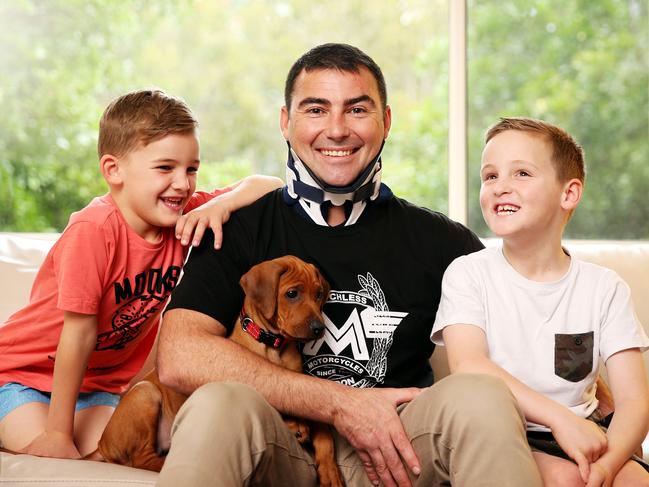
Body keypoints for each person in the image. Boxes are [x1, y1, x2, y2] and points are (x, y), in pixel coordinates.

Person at [155, 44, 545, 487]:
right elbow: (179, 356)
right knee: (217, 403)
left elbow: (530, 326)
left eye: (357, 109)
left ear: (386, 122)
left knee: (481, 395)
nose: (336, 130)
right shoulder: (235, 227)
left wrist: (603, 428)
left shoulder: (444, 242)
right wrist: (340, 403)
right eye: (316, 109)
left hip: (402, 446)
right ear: (286, 122)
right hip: (280, 445)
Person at [0, 89, 283, 460]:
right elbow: (79, 333)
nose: (182, 183)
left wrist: (221, 204)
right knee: (51, 449)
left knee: (123, 451)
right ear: (113, 170)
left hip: (99, 386)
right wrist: (58, 431)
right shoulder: (94, 230)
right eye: (165, 168)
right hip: (21, 375)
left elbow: (272, 185)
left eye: (191, 169)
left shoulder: (186, 218)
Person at [431, 117, 649, 486]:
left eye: (521, 174)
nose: (500, 187)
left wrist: (606, 467)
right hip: (506, 437)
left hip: (588, 432)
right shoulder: (468, 273)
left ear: (569, 193)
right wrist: (559, 420)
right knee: (565, 480)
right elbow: (468, 363)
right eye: (490, 176)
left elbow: (634, 403)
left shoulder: (604, 287)